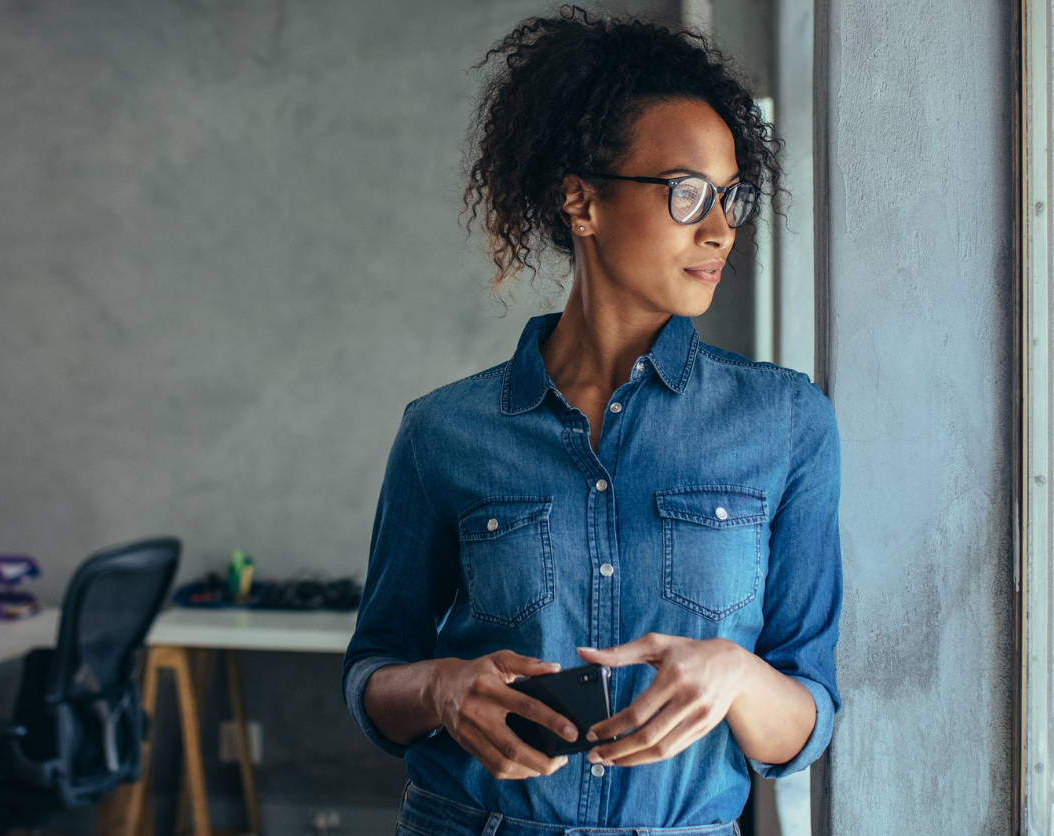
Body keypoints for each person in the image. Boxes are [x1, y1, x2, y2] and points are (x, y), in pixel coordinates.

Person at [342, 7, 841, 835]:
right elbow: (372, 675)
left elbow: (806, 722)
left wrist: (735, 676)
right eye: (687, 194)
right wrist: (440, 687)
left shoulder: (786, 422)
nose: (720, 228)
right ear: (583, 202)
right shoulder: (443, 432)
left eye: (732, 197)